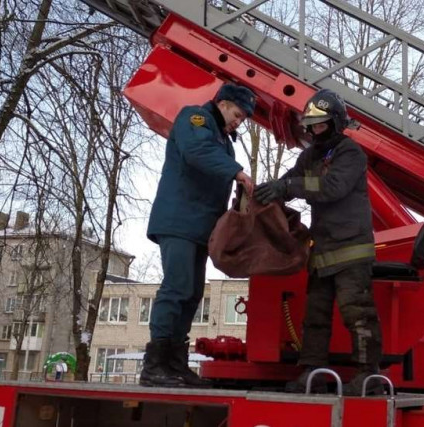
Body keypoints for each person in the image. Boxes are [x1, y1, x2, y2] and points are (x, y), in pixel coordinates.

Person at [254, 89, 383, 396]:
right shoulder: (309, 156)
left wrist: (289, 186)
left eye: (321, 124)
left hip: (351, 250)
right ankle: (313, 373)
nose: (314, 130)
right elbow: (290, 181)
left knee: (358, 313)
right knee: (315, 316)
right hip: (323, 252)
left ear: (336, 123)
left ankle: (369, 375)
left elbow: (332, 186)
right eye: (311, 125)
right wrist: (269, 191)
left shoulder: (350, 153)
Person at [141, 83, 256, 387]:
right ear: (222, 103)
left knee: (191, 294)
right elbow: (197, 151)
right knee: (177, 287)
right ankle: (155, 366)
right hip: (179, 220)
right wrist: (237, 172)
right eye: (237, 113)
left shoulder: (224, 141)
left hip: (199, 227)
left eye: (243, 118)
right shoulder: (195, 119)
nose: (238, 121)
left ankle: (176, 364)